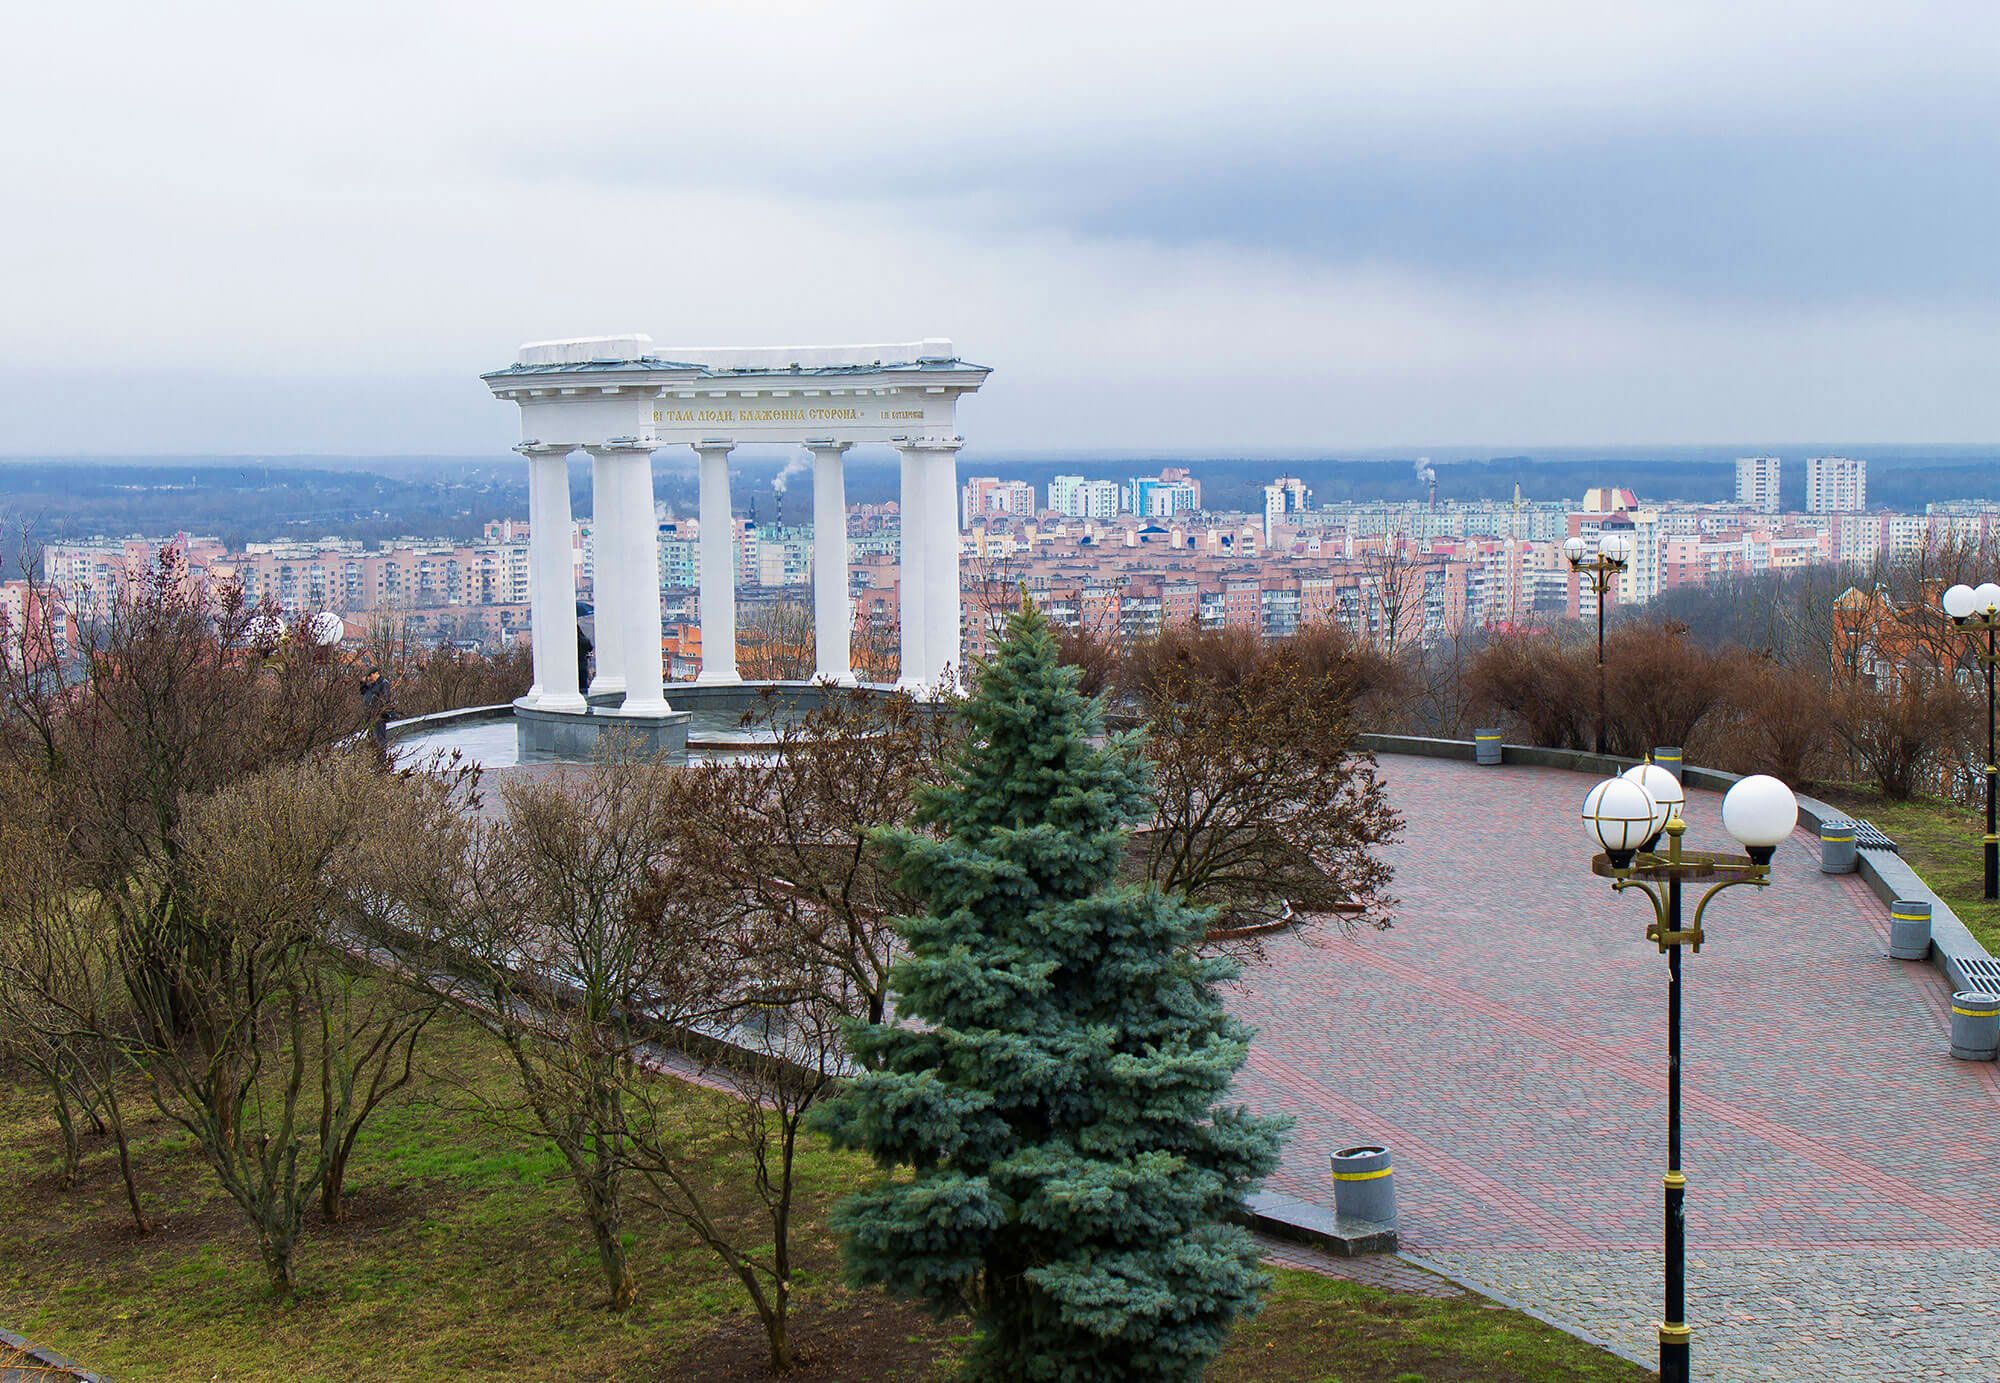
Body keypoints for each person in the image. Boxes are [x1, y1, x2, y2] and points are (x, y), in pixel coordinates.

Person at [360, 666, 395, 758]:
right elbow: (364, 692)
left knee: (380, 738)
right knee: (371, 738)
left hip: (379, 715)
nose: (370, 677)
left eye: (371, 675)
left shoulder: (383, 683)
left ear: (376, 673)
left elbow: (385, 699)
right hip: (371, 715)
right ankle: (374, 758)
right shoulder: (372, 685)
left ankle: (382, 759)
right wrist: (363, 683)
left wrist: (378, 710)